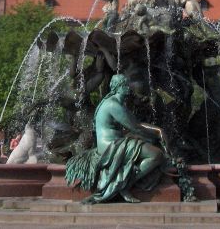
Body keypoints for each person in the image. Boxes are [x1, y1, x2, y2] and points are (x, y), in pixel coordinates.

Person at [65, 73, 166, 203]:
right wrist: (158, 133)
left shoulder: (112, 102)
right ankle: (123, 184)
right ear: (118, 87)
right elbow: (135, 127)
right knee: (156, 155)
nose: (129, 88)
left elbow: (132, 125)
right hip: (111, 145)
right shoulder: (113, 105)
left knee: (149, 146)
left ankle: (123, 182)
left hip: (113, 142)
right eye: (125, 85)